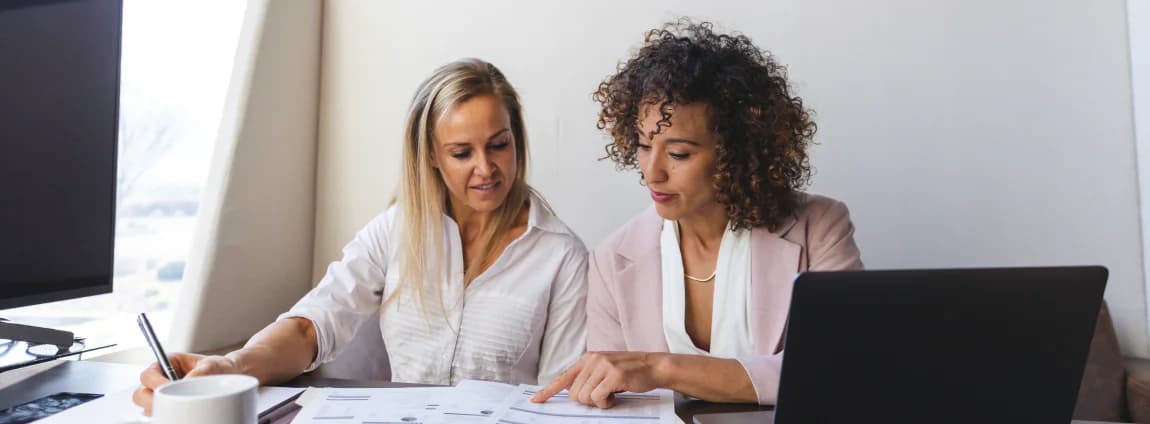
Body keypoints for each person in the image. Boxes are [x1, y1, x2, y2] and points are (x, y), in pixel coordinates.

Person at [133, 59, 588, 415]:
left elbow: (559, 399)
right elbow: (313, 324)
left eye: (499, 144)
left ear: (517, 142)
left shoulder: (561, 257)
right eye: (461, 152)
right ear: (431, 155)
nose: (486, 168)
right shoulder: (396, 230)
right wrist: (231, 367)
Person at [532, 19, 863, 408]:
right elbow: (612, 400)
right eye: (642, 146)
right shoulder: (612, 260)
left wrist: (661, 368)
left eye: (679, 154)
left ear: (736, 151)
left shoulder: (819, 228)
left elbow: (840, 368)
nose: (652, 172)